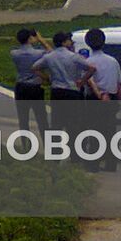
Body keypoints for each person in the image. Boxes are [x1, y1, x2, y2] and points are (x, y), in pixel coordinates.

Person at [39, 31, 96, 159]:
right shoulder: (74, 57)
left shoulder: (50, 57)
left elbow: (35, 67)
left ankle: (55, 154)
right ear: (64, 42)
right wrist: (82, 81)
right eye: (69, 40)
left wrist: (47, 78)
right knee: (73, 123)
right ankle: (75, 154)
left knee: (56, 123)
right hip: (72, 92)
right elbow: (91, 68)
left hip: (56, 91)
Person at [83, 27, 121, 172]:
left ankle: (93, 164)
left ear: (88, 43)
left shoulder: (88, 62)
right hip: (111, 99)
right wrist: (119, 101)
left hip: (94, 99)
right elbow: (119, 84)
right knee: (110, 131)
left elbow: (86, 83)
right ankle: (111, 164)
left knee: (94, 131)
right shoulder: (113, 62)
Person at [10, 28, 52, 136]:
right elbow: (51, 53)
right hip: (35, 87)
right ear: (30, 38)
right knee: (41, 118)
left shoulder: (14, 53)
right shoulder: (38, 53)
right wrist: (41, 40)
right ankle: (47, 145)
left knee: (23, 118)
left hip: (20, 86)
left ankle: (26, 146)